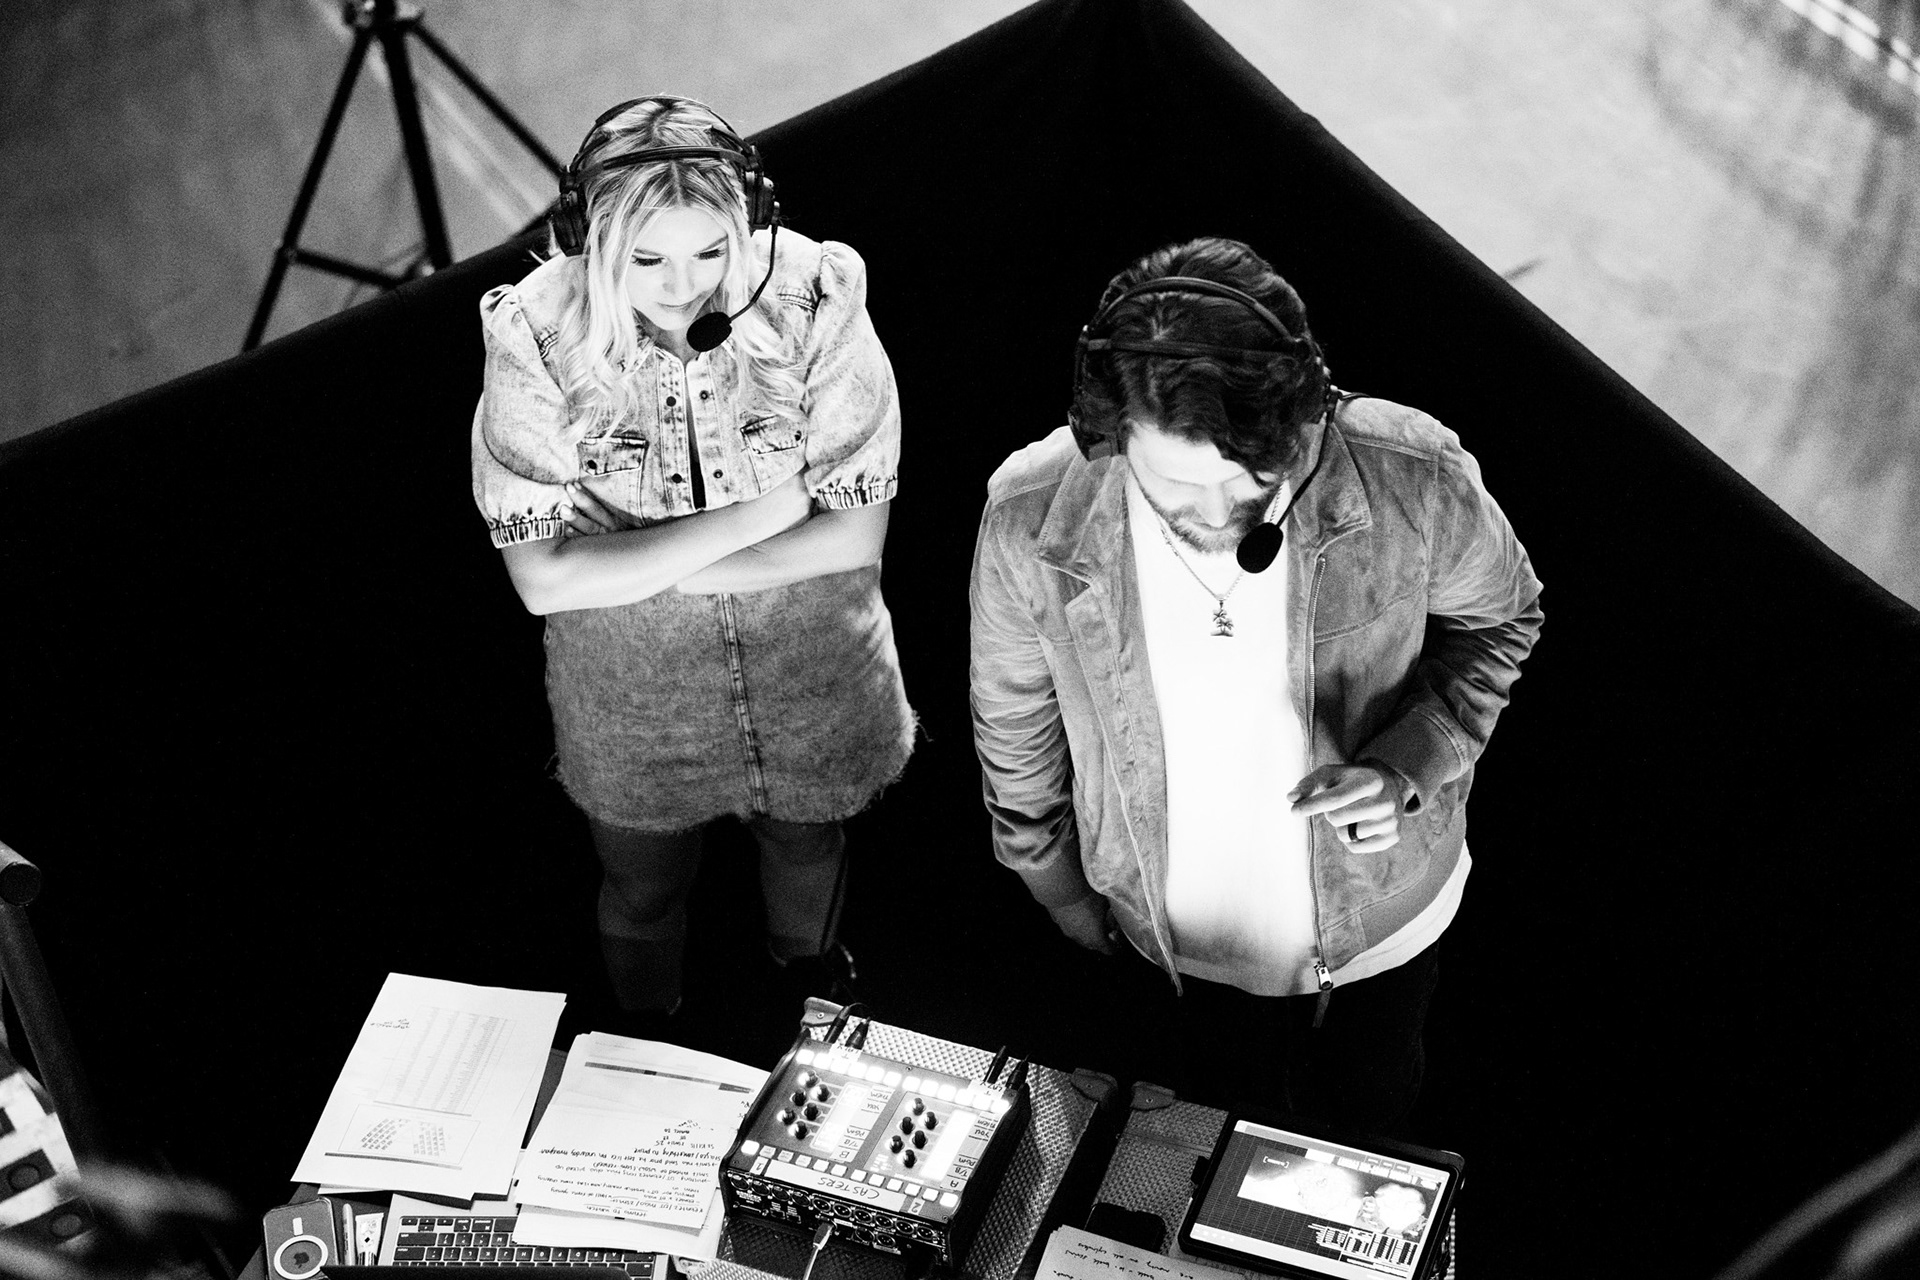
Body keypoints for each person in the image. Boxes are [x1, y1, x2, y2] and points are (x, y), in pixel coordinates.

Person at [968, 236, 1542, 1134]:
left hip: (1383, 932)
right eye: (1175, 485)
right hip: (1164, 948)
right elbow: (1013, 716)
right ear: (1108, 433)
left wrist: (1406, 765)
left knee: (1366, 1129)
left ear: (1307, 411)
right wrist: (1057, 885)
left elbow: (1502, 621)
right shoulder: (1028, 517)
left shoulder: (1411, 475)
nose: (1214, 514)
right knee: (1182, 1153)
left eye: (1246, 482)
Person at [470, 95, 914, 1027]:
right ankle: (648, 1035)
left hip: (812, 664)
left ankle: (807, 1002)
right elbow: (541, 579)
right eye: (648, 260)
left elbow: (855, 535)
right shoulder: (535, 333)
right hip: (633, 692)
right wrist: (766, 514)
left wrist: (637, 569)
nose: (685, 287)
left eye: (712, 251)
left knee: (809, 845)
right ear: (589, 242)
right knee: (643, 888)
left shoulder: (816, 292)